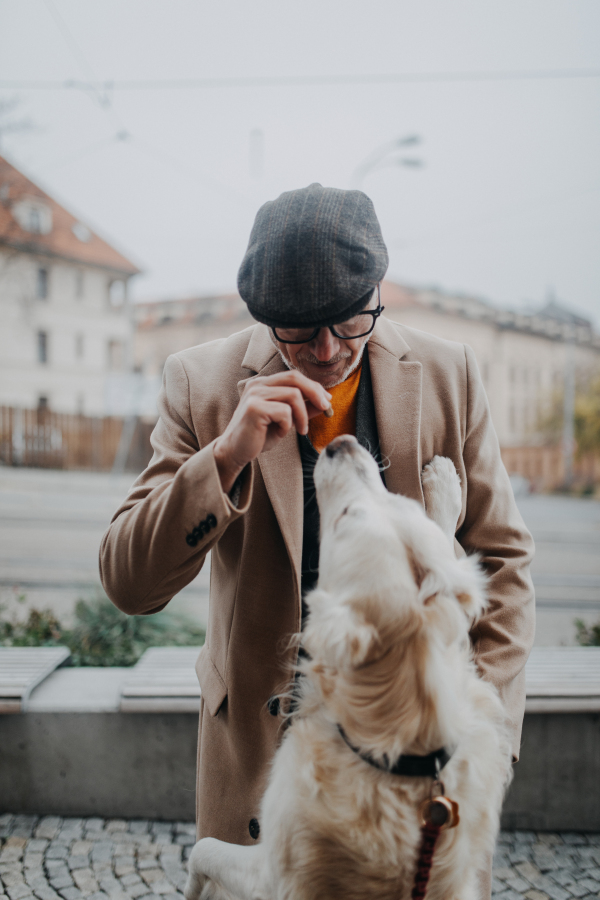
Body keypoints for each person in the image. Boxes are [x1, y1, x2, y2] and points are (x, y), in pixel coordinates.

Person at [100, 183, 534, 898]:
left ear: (377, 290)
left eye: (348, 320)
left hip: (424, 778)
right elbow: (128, 582)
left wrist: (479, 745)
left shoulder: (451, 372)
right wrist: (226, 458)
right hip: (265, 768)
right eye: (297, 331)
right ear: (261, 315)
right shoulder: (199, 383)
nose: (328, 351)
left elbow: (506, 562)